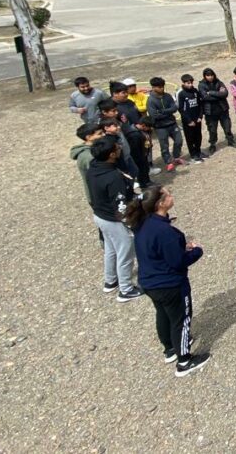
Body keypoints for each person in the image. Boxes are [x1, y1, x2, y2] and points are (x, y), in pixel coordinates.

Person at [126, 185, 210, 376]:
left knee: (163, 314)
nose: (172, 196)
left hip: (149, 281)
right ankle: (184, 361)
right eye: (168, 195)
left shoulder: (142, 222)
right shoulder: (165, 232)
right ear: (160, 203)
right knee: (182, 319)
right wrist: (196, 251)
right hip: (170, 284)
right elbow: (178, 262)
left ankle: (170, 348)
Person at [86, 135, 142, 302]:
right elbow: (120, 205)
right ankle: (125, 289)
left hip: (100, 215)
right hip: (113, 219)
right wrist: (130, 221)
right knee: (125, 251)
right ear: (111, 154)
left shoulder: (93, 168)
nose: (119, 149)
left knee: (111, 250)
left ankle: (110, 281)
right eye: (117, 148)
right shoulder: (113, 177)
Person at [111, 81, 153, 184]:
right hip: (127, 139)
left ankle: (146, 181)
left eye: (126, 92)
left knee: (143, 159)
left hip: (139, 135)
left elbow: (138, 116)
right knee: (134, 161)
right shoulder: (112, 108)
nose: (126, 94)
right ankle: (138, 182)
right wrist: (134, 127)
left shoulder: (130, 102)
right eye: (123, 92)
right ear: (115, 94)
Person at [72, 123, 105, 246]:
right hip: (97, 194)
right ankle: (105, 242)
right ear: (88, 137)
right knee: (105, 219)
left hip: (99, 192)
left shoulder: (94, 150)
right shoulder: (88, 157)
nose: (103, 135)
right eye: (99, 134)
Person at [147, 77, 184, 172]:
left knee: (179, 141)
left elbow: (174, 108)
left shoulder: (167, 96)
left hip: (172, 123)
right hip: (160, 127)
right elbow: (154, 115)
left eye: (163, 86)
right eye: (159, 87)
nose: (162, 89)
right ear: (153, 87)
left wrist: (162, 111)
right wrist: (168, 112)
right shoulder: (151, 100)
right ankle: (168, 162)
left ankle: (176, 157)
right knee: (164, 146)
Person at [199, 68, 235, 153]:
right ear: (204, 76)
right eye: (208, 75)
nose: (210, 77)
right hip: (210, 112)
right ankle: (212, 144)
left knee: (227, 127)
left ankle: (230, 140)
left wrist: (211, 92)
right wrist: (218, 95)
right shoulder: (202, 85)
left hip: (223, 109)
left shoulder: (219, 82)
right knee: (212, 130)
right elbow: (205, 97)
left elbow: (225, 93)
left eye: (211, 75)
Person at [176, 74, 206, 163]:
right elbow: (181, 109)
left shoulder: (195, 91)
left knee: (198, 136)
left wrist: (200, 116)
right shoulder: (181, 93)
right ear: (183, 83)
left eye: (191, 83)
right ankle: (193, 155)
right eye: (188, 83)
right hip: (188, 121)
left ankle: (199, 151)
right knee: (190, 138)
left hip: (197, 119)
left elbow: (200, 104)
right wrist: (188, 120)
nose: (190, 85)